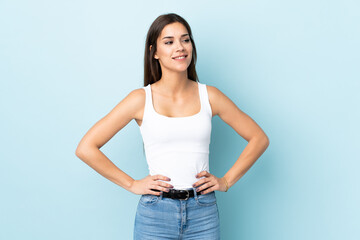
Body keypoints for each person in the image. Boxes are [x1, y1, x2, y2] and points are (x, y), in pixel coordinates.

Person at [75, 13, 269, 240]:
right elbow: (86, 147)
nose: (180, 47)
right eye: (169, 42)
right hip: (155, 215)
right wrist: (131, 184)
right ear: (154, 52)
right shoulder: (140, 99)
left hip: (203, 212)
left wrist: (225, 181)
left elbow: (259, 138)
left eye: (185, 40)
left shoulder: (210, 96)